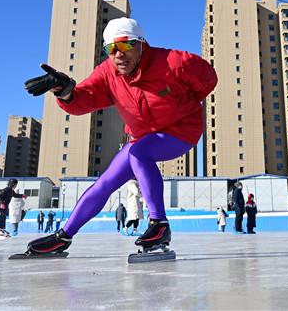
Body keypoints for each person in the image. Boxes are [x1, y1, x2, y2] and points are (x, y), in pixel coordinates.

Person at [23, 17, 217, 257]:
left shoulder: (173, 62)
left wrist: (183, 103)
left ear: (141, 44)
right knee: (105, 183)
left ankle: (159, 225)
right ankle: (63, 237)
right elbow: (83, 99)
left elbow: (208, 79)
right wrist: (64, 91)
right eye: (111, 49)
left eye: (125, 45)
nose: (118, 55)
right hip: (142, 138)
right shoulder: (107, 73)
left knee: (139, 152)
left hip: (182, 130)